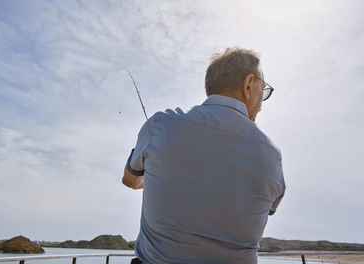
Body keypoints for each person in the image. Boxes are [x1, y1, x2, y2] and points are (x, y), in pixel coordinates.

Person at [122, 47, 286, 264]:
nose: (262, 103)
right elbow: (263, 208)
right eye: (263, 90)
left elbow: (129, 180)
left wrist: (155, 177)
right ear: (248, 85)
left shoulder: (161, 125)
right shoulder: (272, 156)